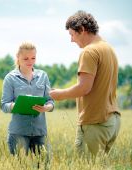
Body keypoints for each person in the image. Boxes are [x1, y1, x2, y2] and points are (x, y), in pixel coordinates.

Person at [49, 10, 121, 156]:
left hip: (95, 122)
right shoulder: (109, 49)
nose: (71, 40)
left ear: (82, 30)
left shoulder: (89, 52)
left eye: (72, 34)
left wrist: (58, 94)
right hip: (112, 121)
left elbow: (84, 88)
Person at [1, 42, 54, 156]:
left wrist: (46, 107)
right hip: (18, 133)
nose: (30, 61)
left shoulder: (43, 76)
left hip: (40, 133)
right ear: (18, 57)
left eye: (33, 58)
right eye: (26, 58)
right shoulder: (10, 78)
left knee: (45, 169)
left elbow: (50, 101)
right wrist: (18, 105)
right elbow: (4, 105)